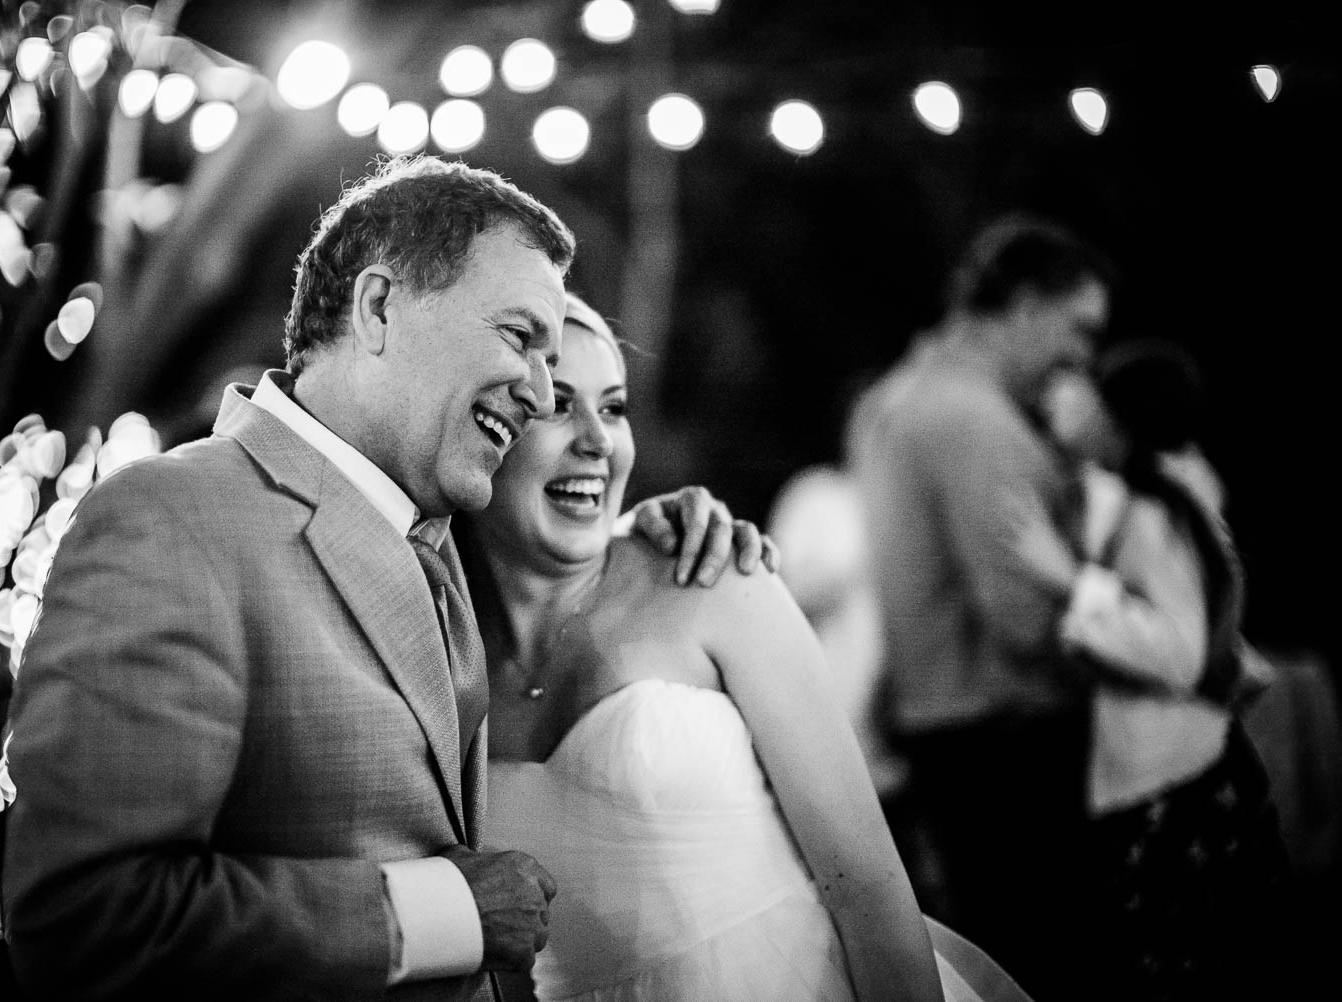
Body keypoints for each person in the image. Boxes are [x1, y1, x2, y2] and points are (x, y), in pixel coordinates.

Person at [1, 155, 769, 1002]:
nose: (541, 391)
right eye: (520, 338)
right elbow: (84, 920)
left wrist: (659, 531)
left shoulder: (440, 538)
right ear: (378, 308)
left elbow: (554, 557)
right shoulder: (171, 519)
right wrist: (447, 911)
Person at [464, 293, 1032, 1002]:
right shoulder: (437, 658)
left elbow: (869, 891)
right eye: (557, 405)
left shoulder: (710, 578)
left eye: (613, 408)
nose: (598, 440)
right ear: (483, 429)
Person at [848, 213, 1114, 1001]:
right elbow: (1029, 623)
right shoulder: (977, 421)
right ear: (1026, 305)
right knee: (1040, 966)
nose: (1085, 357)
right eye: (1079, 328)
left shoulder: (893, 400)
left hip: (946, 737)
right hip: (1013, 748)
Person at [1012, 339, 1297, 1001]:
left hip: (1174, 780)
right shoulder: (1159, 499)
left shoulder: (1151, 514)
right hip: (1171, 772)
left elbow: (1178, 652)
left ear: (1123, 423)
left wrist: (1071, 584)